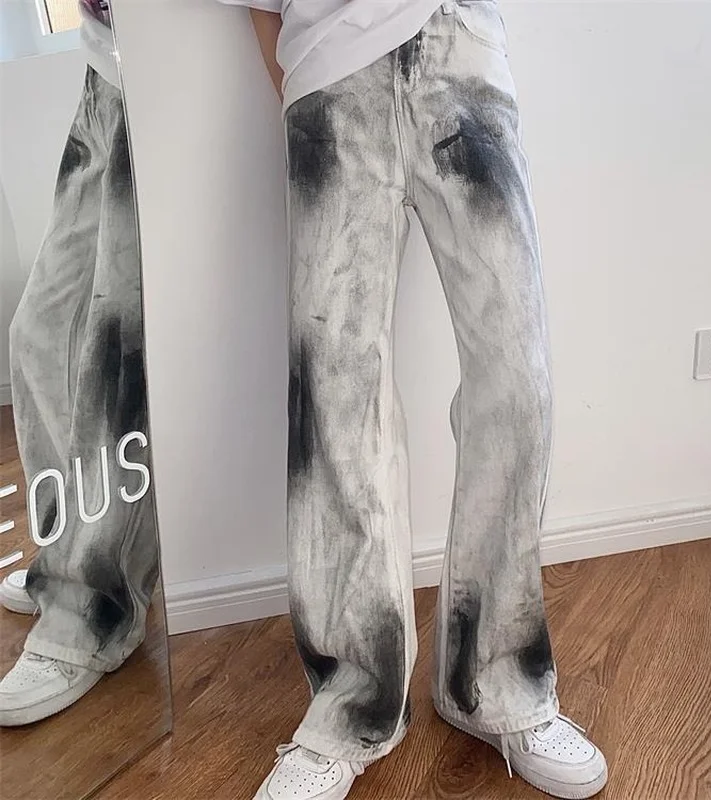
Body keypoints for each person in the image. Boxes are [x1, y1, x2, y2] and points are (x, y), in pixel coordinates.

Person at [222, 1, 609, 798]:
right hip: (328, 73)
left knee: (518, 374)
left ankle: (496, 684)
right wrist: (305, 85)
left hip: (461, 48)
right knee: (336, 394)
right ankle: (350, 708)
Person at [0, 0, 158, 726]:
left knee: (111, 364)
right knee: (38, 334)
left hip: (161, 71)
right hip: (106, 72)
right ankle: (69, 553)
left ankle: (94, 607)